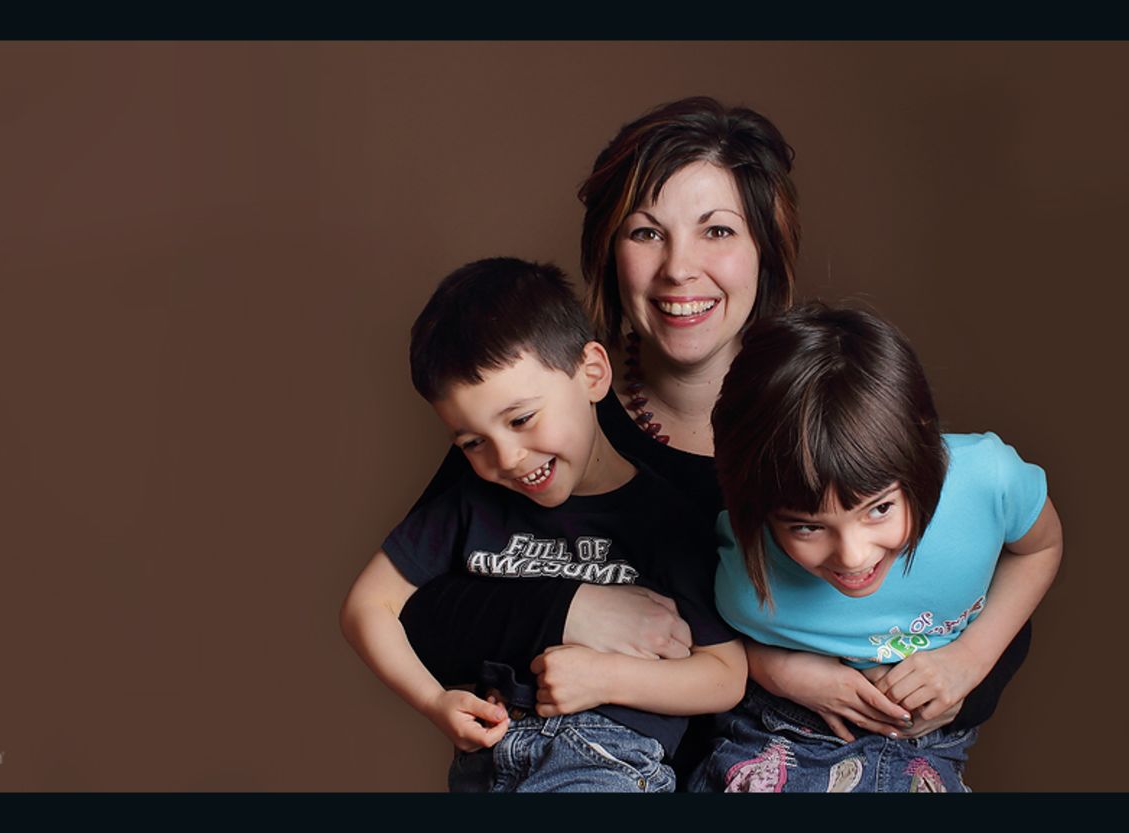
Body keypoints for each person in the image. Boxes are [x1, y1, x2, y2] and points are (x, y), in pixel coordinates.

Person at [394, 95, 1034, 786]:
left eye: (718, 231)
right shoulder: (550, 420)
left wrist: (947, 679)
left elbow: (961, 578)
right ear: (610, 254)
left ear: (766, 246)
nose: (679, 268)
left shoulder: (824, 411)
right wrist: (571, 609)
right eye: (646, 234)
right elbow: (420, 608)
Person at [340, 257, 746, 792]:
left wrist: (606, 677)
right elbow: (367, 606)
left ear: (592, 375)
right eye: (472, 442)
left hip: (602, 763)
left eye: (521, 419)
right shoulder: (471, 503)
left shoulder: (665, 521)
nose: (505, 457)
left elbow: (725, 675)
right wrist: (432, 700)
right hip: (487, 766)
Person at [688, 303, 1063, 792]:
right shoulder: (736, 556)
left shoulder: (987, 481)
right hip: (779, 732)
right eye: (807, 527)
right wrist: (786, 673)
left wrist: (969, 658)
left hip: (927, 744)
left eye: (879, 510)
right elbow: (717, 636)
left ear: (922, 451)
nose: (853, 556)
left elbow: (1039, 548)